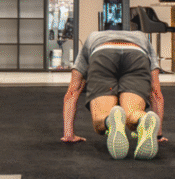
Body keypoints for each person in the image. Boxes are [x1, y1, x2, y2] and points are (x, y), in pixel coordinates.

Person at [60, 29, 166, 159]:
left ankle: (110, 120)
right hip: (136, 54)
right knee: (132, 113)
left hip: (103, 53)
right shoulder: (141, 37)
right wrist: (158, 135)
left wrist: (69, 134)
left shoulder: (93, 37)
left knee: (101, 119)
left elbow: (73, 90)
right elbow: (156, 92)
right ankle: (142, 120)